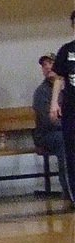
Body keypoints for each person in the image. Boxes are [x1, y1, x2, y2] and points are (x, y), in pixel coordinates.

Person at [33, 52, 70, 202]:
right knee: (64, 142)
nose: (47, 67)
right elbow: (48, 121)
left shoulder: (68, 88)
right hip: (48, 134)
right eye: (44, 65)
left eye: (50, 63)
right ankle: (69, 191)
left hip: (67, 130)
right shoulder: (41, 92)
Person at [49, 10, 75, 207]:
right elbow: (58, 78)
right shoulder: (66, 50)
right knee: (72, 152)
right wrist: (54, 102)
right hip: (72, 108)